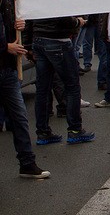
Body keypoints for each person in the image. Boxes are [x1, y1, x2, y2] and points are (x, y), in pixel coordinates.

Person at [1, 0, 50, 178]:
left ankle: (27, 163)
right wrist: (5, 47)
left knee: (20, 118)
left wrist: (16, 26)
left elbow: (7, 29)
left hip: (8, 70)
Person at [24, 15, 95, 146]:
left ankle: (43, 132)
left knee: (42, 89)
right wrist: (77, 22)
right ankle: (75, 130)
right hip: (58, 40)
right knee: (72, 86)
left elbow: (29, 17)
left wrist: (28, 45)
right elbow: (61, 17)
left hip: (39, 40)